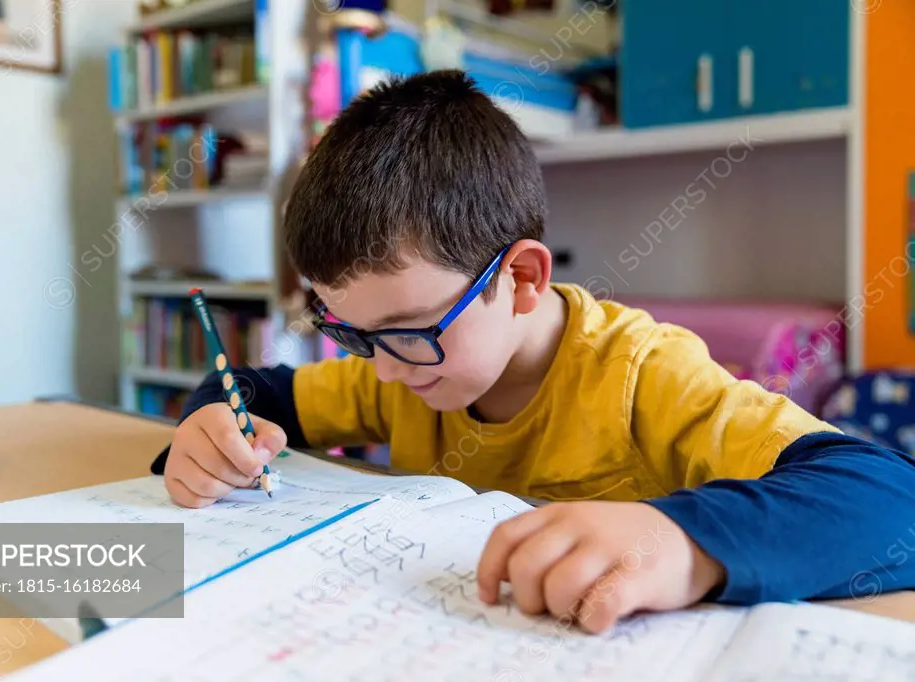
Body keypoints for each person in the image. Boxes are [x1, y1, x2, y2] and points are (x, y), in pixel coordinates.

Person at [151, 70, 915, 633]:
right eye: (350, 332)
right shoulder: (407, 371)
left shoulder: (643, 374)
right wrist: (211, 424)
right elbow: (256, 389)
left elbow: (886, 499)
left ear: (519, 278)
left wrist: (681, 541)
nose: (377, 370)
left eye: (407, 333)